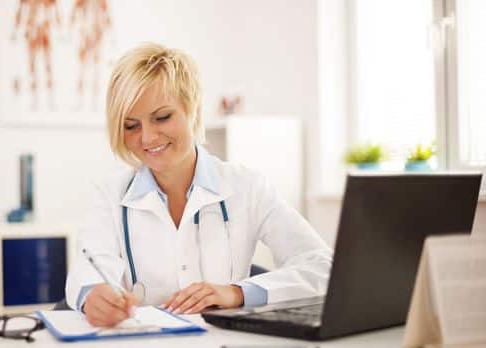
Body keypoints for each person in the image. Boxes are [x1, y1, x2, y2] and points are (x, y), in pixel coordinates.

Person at [65, 43, 333, 327]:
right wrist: (93, 296)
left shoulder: (248, 186)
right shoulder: (109, 194)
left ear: (193, 109)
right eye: (131, 126)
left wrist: (237, 293)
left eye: (162, 117)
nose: (147, 138)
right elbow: (88, 269)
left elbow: (321, 266)